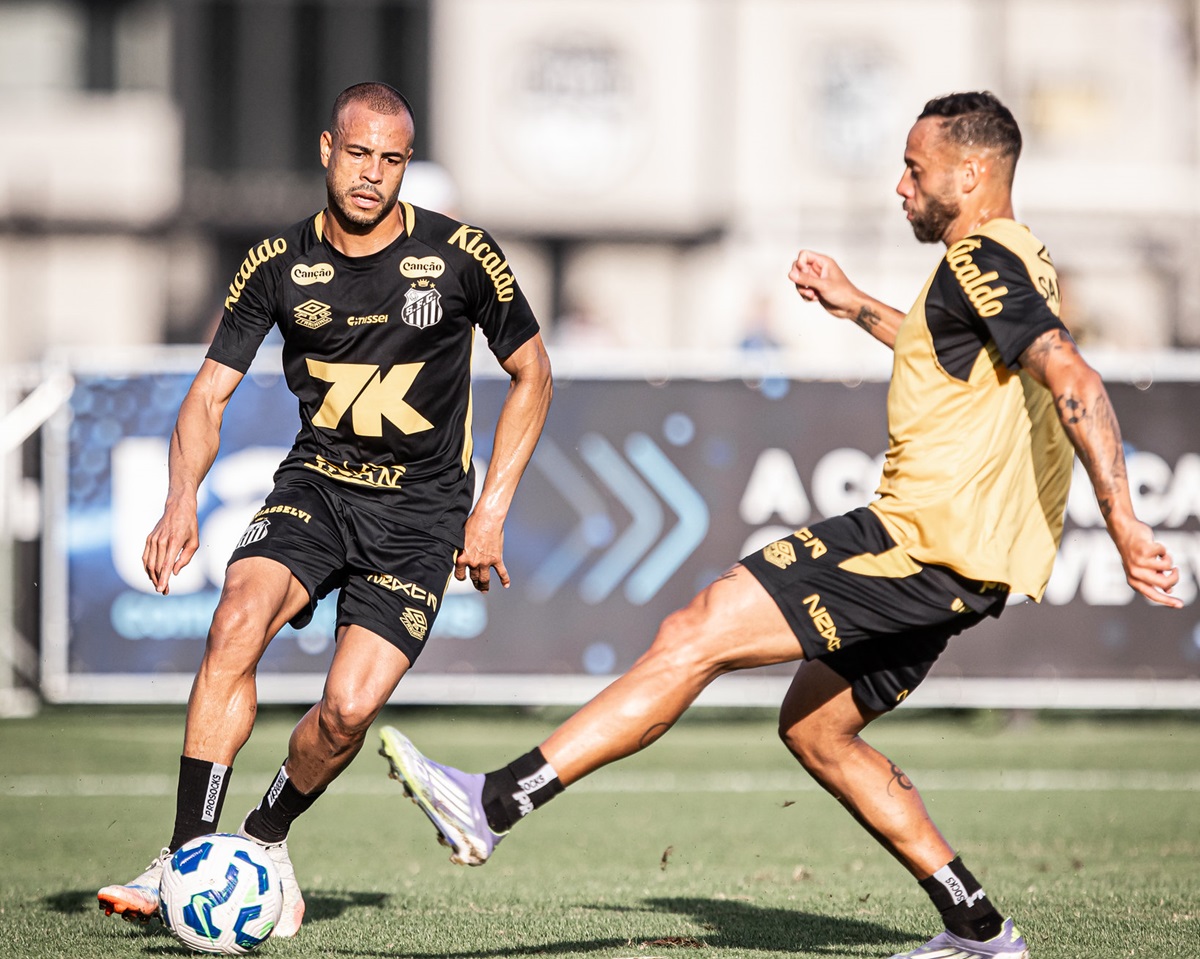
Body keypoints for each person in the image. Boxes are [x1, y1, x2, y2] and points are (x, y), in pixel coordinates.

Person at [377, 91, 1181, 959]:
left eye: (916, 168)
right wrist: (855, 304)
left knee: (699, 629)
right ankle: (980, 930)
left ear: (973, 173)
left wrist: (1126, 523)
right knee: (817, 729)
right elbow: (949, 344)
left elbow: (1076, 378)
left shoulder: (984, 257)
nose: (901, 187)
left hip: (918, 546)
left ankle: (492, 803)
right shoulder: (1010, 262)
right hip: (963, 563)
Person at [97, 81, 553, 938]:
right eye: (358, 153)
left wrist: (489, 509)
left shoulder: (460, 255)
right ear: (326, 150)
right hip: (317, 489)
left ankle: (265, 841)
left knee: (347, 709)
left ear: (405, 164)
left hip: (422, 515)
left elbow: (535, 370)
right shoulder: (275, 262)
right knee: (235, 618)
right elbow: (208, 394)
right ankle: (185, 854)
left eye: (391, 159)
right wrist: (179, 501)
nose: (372, 174)